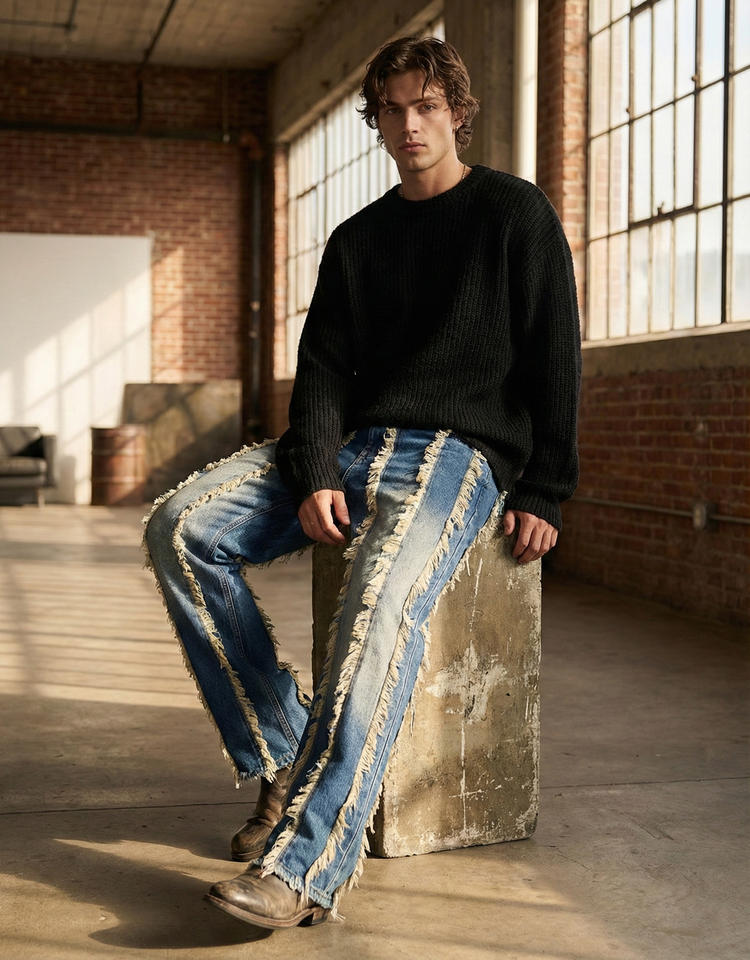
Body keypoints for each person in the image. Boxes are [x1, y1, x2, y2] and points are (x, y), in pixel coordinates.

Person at [143, 35, 580, 930]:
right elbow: (321, 375)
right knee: (181, 529)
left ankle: (302, 867)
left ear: (457, 112)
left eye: (427, 107)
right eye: (392, 110)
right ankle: (281, 751)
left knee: (376, 607)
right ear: (375, 122)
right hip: (350, 445)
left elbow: (556, 356)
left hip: (457, 454)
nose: (410, 124)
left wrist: (547, 488)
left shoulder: (515, 214)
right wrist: (312, 471)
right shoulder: (357, 240)